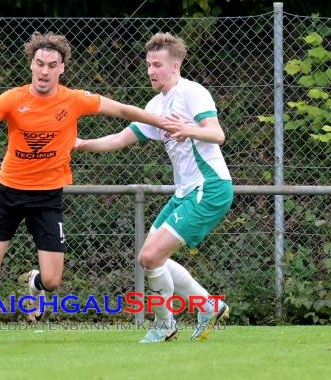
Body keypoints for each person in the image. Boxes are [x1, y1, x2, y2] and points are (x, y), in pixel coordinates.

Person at [0, 32, 171, 323]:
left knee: (52, 281)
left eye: (52, 65)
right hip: (8, 194)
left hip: (47, 198)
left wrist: (161, 121)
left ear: (62, 68)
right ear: (31, 65)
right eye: (40, 64)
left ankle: (34, 284)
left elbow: (123, 110)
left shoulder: (74, 100)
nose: (45, 71)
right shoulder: (13, 98)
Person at [74, 32, 233, 343]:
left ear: (175, 66)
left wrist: (188, 130)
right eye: (148, 64)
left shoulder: (192, 93)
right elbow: (121, 139)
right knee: (149, 257)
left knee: (151, 258)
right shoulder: (156, 104)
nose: (150, 71)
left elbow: (217, 134)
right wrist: (82, 144)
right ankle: (208, 306)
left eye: (157, 65)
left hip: (210, 188)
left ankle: (164, 325)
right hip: (186, 192)